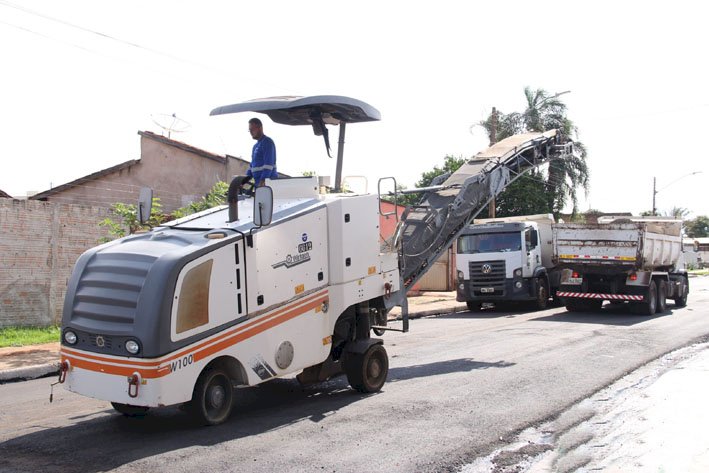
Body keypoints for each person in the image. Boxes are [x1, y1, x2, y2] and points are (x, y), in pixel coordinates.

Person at [247, 117, 277, 187]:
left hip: (268, 183)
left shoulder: (267, 142)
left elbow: (268, 165)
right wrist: (243, 180)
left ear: (260, 128)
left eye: (252, 129)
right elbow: (252, 166)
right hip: (258, 183)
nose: (251, 132)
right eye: (249, 130)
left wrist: (263, 180)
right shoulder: (255, 146)